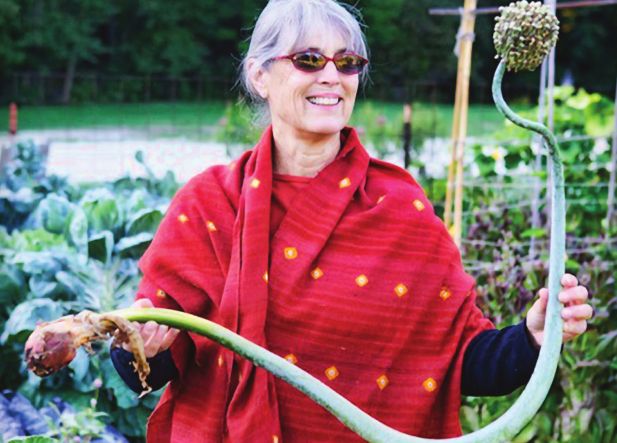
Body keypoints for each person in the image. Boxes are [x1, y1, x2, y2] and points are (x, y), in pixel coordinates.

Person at [111, 1, 593, 441]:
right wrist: (142, 348)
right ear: (260, 75)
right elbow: (147, 364)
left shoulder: (397, 206)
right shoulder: (210, 204)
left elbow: (460, 361)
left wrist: (534, 334)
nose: (331, 77)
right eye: (308, 60)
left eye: (347, 63)